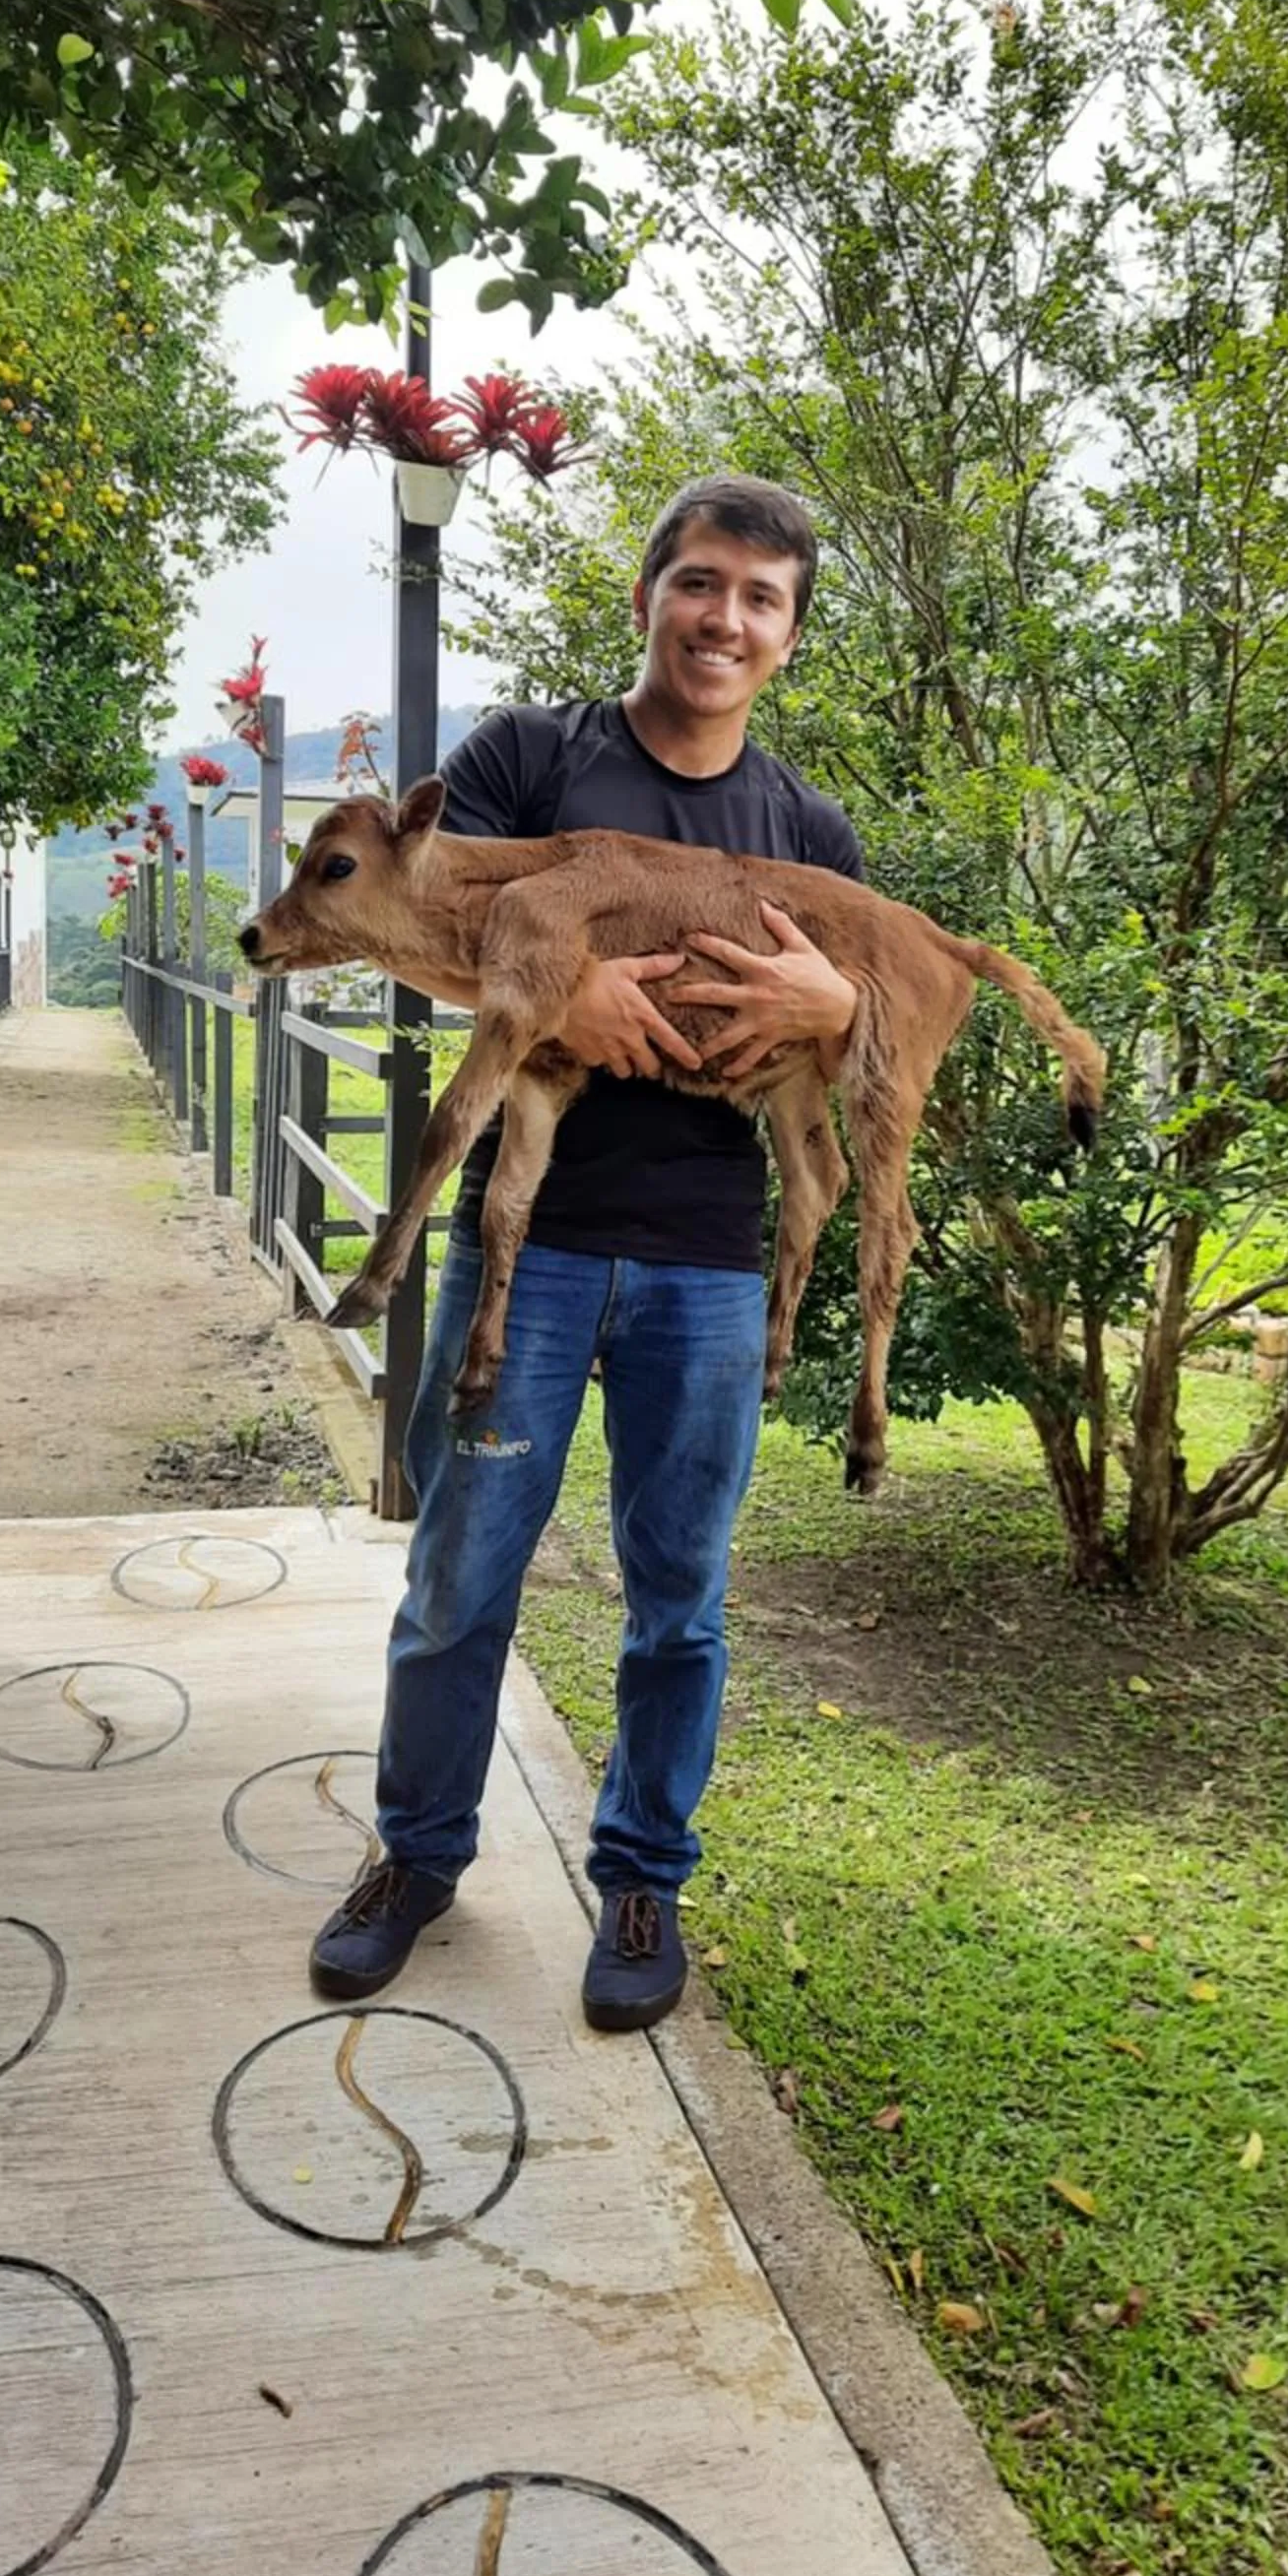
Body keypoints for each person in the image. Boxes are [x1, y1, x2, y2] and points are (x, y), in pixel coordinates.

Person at [309, 475, 866, 2031]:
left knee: (677, 1595)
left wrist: (832, 1007)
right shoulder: (527, 761)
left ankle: (640, 1880)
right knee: (458, 1579)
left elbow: (856, 1036)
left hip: (707, 1260)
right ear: (647, 597)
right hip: (530, 1249)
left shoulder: (806, 831)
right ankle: (417, 1857)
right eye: (700, 583)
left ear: (787, 636)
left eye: (760, 599)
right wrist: (562, 995)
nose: (723, 619)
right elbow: (410, 937)